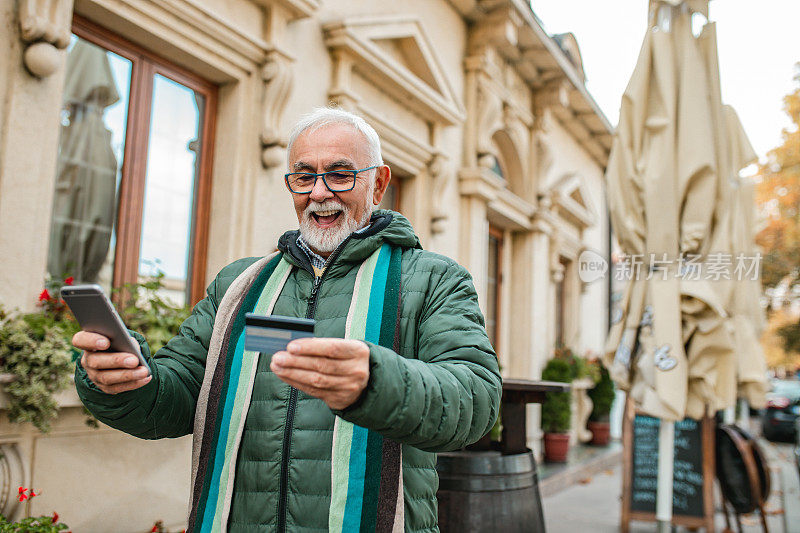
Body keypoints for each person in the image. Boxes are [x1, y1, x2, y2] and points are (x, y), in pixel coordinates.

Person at [73, 107, 501, 532]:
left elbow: (475, 401)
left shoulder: (432, 279)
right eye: (304, 176)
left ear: (378, 184)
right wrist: (124, 383)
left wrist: (376, 381)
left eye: (340, 174)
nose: (319, 192)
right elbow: (179, 396)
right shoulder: (239, 284)